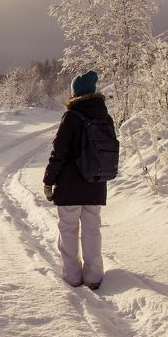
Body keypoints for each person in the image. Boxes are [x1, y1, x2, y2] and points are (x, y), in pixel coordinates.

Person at [43, 70, 110, 289]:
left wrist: (49, 181)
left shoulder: (71, 117)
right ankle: (94, 277)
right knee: (92, 231)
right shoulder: (105, 116)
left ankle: (72, 276)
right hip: (96, 185)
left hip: (70, 187)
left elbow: (59, 152)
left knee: (69, 231)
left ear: (75, 93)